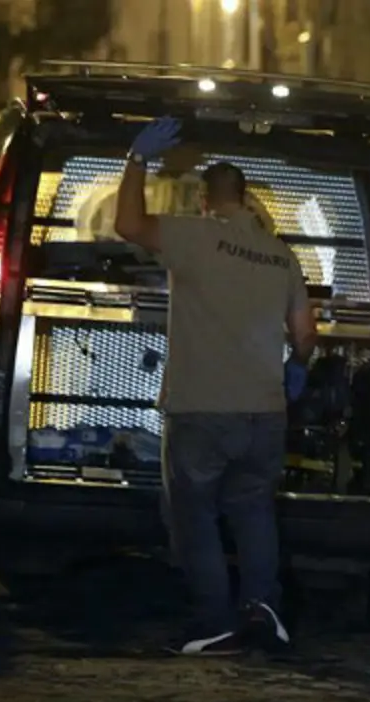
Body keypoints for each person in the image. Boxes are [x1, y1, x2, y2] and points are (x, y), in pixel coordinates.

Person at [114, 118, 317, 656]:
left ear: (205, 199)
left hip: (201, 410)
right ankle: (264, 607)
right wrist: (296, 366)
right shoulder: (280, 253)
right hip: (265, 412)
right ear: (245, 198)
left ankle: (212, 622)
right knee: (253, 508)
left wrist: (137, 160)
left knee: (195, 515)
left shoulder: (193, 235)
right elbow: (304, 332)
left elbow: (129, 224)